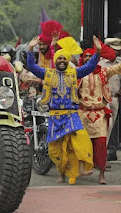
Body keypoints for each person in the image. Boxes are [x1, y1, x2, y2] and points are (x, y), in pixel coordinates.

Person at [27, 35, 102, 184]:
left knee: (81, 139)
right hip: (55, 116)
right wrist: (30, 49)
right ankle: (61, 173)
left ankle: (80, 168)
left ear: (68, 61)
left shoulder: (74, 73)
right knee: (56, 149)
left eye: (64, 59)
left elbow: (89, 67)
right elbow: (33, 67)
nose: (62, 61)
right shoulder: (48, 74)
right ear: (56, 61)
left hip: (71, 114)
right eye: (59, 59)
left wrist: (98, 52)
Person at [78, 46, 121, 184]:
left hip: (99, 114)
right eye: (86, 56)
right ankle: (80, 168)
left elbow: (117, 68)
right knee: (81, 144)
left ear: (96, 59)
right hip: (83, 114)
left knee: (101, 144)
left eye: (91, 56)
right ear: (83, 59)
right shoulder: (78, 73)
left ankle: (101, 175)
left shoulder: (104, 72)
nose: (88, 58)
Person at [103, 37, 121, 161]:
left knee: (112, 125)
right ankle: (102, 153)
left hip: (115, 98)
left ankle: (108, 152)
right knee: (104, 126)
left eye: (117, 50)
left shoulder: (120, 63)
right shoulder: (100, 63)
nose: (116, 52)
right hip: (102, 99)